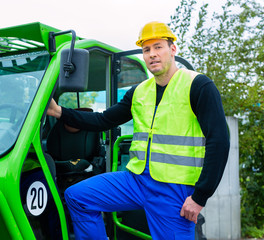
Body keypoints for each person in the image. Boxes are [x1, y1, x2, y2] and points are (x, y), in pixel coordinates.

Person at [47, 21, 230, 240]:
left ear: (173, 50)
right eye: (146, 49)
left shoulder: (198, 85)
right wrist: (60, 112)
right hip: (135, 181)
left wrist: (200, 196)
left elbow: (219, 142)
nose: (152, 54)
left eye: (158, 47)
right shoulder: (139, 92)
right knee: (78, 197)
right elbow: (103, 120)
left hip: (173, 191)